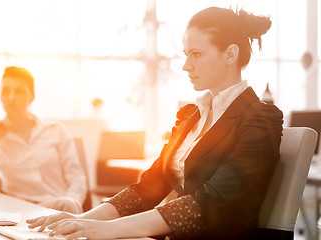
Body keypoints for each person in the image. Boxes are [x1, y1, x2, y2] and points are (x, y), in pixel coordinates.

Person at [27, 7, 283, 240]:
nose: (186, 65)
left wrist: (110, 229)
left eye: (196, 54)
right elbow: (149, 187)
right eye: (185, 54)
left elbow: (212, 202)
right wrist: (82, 220)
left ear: (230, 54)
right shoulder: (192, 115)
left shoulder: (261, 118)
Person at [0, 66, 88, 214]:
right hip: (20, 213)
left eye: (19, 91)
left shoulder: (56, 131)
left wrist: (71, 204)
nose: (11, 97)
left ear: (32, 96)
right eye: (6, 91)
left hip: (59, 208)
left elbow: (76, 178)